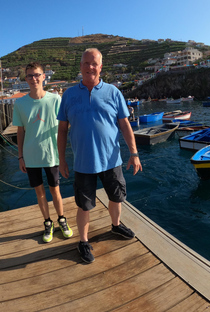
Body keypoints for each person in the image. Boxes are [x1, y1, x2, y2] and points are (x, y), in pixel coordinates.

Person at [57, 48, 142, 263]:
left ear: (101, 67)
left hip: (112, 159)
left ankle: (115, 226)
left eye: (94, 63)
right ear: (80, 66)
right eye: (86, 63)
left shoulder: (113, 92)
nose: (90, 67)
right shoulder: (69, 95)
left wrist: (134, 153)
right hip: (83, 162)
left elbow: (124, 125)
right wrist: (61, 159)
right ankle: (83, 241)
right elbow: (62, 130)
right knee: (84, 205)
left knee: (116, 197)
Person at [12, 62, 73, 243]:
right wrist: (20, 156)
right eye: (30, 75)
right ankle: (48, 223)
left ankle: (62, 219)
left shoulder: (55, 99)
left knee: (56, 191)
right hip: (30, 157)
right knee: (39, 193)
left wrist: (63, 156)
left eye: (37, 75)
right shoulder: (20, 103)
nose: (33, 79)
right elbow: (20, 131)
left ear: (44, 76)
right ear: (25, 78)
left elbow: (64, 126)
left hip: (51, 154)